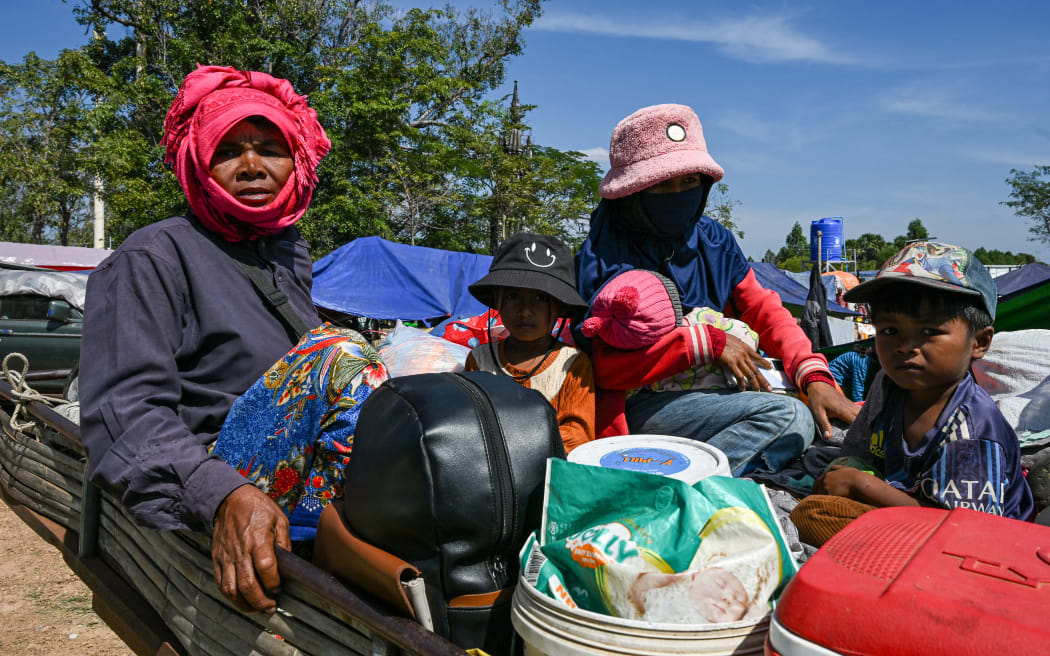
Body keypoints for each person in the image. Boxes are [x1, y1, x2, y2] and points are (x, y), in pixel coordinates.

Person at [79, 65, 365, 614]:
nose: (252, 166)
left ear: (298, 163)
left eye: (269, 149)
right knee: (344, 353)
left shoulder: (287, 254)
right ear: (199, 163)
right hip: (216, 473)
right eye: (228, 150)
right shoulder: (154, 255)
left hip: (302, 476)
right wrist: (220, 493)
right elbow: (126, 410)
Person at [574, 104, 858, 476]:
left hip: (715, 400)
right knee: (790, 418)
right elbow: (602, 367)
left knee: (825, 416)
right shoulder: (604, 255)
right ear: (633, 193)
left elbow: (766, 312)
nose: (678, 194)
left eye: (689, 182)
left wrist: (813, 376)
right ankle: (672, 488)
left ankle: (699, 466)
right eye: (662, 184)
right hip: (639, 403)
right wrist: (702, 344)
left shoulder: (713, 242)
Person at [791, 242, 1034, 546]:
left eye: (930, 332)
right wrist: (849, 473)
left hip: (979, 544)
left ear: (979, 342)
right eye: (890, 331)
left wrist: (861, 484)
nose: (905, 346)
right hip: (910, 508)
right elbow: (857, 453)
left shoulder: (972, 433)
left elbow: (965, 533)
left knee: (814, 516)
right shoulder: (887, 384)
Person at [464, 232, 597, 453]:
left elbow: (578, 436)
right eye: (513, 297)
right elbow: (468, 421)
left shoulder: (573, 364)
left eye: (540, 298)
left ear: (560, 306)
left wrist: (518, 448)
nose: (525, 311)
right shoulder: (480, 359)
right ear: (498, 302)